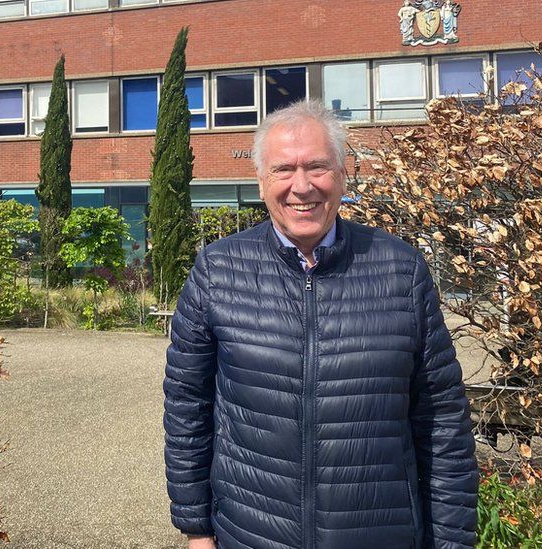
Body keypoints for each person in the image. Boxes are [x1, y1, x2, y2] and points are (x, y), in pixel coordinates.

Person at [163, 99, 478, 549]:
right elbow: (187, 407)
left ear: (343, 173)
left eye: (317, 166)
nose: (302, 186)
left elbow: (442, 421)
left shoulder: (401, 271)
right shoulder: (218, 271)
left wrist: (452, 542)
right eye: (283, 169)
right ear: (260, 181)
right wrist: (196, 529)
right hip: (253, 534)